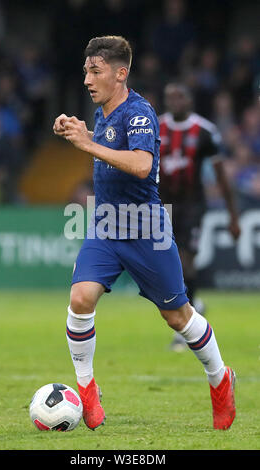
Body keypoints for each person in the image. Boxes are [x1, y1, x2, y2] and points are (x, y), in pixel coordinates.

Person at [53, 36, 236, 431]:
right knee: (80, 298)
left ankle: (220, 379)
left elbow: (139, 165)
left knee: (179, 318)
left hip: (145, 228)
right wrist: (80, 131)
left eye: (95, 70)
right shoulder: (103, 112)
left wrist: (87, 143)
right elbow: (105, 152)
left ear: (121, 74)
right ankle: (87, 389)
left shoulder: (139, 113)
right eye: (86, 70)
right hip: (105, 226)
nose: (87, 78)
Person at [158, 82, 240, 351]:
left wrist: (233, 216)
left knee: (185, 262)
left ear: (189, 100)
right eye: (171, 97)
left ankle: (184, 329)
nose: (175, 101)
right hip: (164, 206)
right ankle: (195, 305)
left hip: (193, 206)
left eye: (180, 96)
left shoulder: (204, 131)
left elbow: (220, 176)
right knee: (167, 266)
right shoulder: (156, 128)